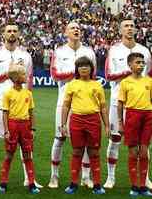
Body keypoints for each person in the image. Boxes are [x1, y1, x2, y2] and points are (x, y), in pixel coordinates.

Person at [0, 21, 39, 188]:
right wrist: (7, 73)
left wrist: (28, 103)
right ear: (3, 34)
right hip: (0, 103)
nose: (12, 33)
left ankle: (29, 178)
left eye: (15, 30)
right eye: (9, 31)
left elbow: (29, 80)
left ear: (18, 34)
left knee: (25, 143)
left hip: (21, 107)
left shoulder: (26, 56)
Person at [104, 19, 152, 189]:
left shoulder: (144, 51)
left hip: (141, 105)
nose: (130, 28)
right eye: (126, 26)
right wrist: (128, 72)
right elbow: (108, 74)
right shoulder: (114, 50)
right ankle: (111, 177)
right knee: (115, 138)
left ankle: (145, 178)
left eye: (132, 25)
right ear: (120, 30)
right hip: (118, 101)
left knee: (144, 143)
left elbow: (150, 75)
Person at [48, 22, 97, 189]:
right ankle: (54, 177)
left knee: (85, 141)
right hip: (64, 100)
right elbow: (54, 75)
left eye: (78, 28)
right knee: (59, 137)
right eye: (72, 28)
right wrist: (76, 73)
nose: (76, 30)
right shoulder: (59, 51)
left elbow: (94, 75)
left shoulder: (88, 52)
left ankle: (85, 177)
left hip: (85, 101)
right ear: (65, 32)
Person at [61, 56, 109, 195]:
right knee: (77, 151)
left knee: (94, 152)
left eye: (86, 66)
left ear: (91, 69)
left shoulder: (97, 85)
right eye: (81, 66)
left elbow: (103, 108)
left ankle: (97, 184)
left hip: (93, 120)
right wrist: (63, 124)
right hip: (76, 120)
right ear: (77, 69)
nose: (83, 68)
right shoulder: (72, 84)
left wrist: (106, 125)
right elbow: (66, 106)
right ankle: (73, 183)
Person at [0, 66, 39, 194]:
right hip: (12, 125)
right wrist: (6, 130)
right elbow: (5, 113)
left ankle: (31, 183)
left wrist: (33, 128)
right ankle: (3, 182)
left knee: (27, 154)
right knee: (9, 154)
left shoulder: (28, 93)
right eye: (23, 74)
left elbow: (31, 112)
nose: (26, 76)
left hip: (25, 125)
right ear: (16, 77)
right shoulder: (8, 93)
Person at [117, 52, 152, 197]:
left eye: (142, 62)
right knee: (133, 152)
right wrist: (120, 123)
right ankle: (134, 186)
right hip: (132, 115)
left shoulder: (149, 81)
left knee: (144, 152)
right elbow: (120, 104)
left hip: (148, 116)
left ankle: (143, 186)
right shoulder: (125, 82)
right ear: (130, 65)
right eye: (137, 62)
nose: (141, 65)